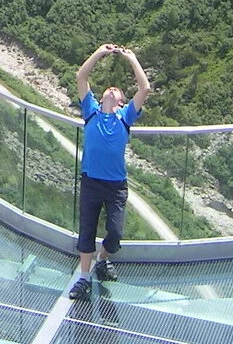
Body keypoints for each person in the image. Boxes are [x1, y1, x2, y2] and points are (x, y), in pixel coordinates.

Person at [68, 43, 150, 300]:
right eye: (109, 89)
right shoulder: (90, 111)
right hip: (91, 180)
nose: (112, 90)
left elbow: (145, 88)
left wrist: (132, 58)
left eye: (117, 91)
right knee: (87, 230)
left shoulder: (125, 117)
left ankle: (103, 259)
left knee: (115, 232)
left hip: (115, 185)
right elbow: (81, 77)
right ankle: (83, 277)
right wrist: (100, 53)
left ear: (122, 102)